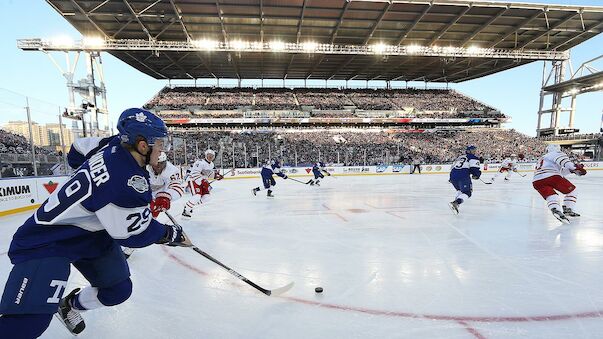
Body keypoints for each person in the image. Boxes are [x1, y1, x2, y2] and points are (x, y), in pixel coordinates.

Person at [0, 108, 191, 338]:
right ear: (142, 145)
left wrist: (92, 180)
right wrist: (172, 234)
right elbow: (134, 235)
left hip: (91, 235)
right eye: (159, 144)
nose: (162, 150)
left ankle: (67, 305)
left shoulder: (110, 144)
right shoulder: (128, 182)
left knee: (118, 290)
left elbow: (76, 151)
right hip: (49, 241)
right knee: (28, 325)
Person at [532, 144, 586, 224]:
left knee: (552, 195)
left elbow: (560, 171)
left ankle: (555, 209)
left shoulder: (543, 158)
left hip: (537, 181)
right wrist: (574, 167)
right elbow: (564, 162)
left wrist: (572, 171)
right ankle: (568, 209)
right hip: (551, 177)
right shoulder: (556, 153)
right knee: (572, 191)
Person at [182, 149, 223, 218]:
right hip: (193, 180)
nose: (210, 157)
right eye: (209, 156)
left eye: (212, 156)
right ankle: (186, 211)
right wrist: (202, 181)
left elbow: (209, 174)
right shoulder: (200, 162)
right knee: (197, 197)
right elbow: (195, 173)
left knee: (207, 198)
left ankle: (189, 205)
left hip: (202, 182)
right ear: (206, 155)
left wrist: (216, 176)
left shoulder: (211, 164)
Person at [448, 145, 482, 215]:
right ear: (468, 151)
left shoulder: (460, 157)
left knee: (460, 191)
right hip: (462, 176)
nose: (474, 151)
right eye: (473, 150)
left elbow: (453, 166)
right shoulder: (473, 157)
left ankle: (455, 205)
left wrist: (451, 178)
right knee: (467, 192)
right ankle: (456, 203)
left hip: (453, 175)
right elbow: (474, 168)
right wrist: (476, 175)